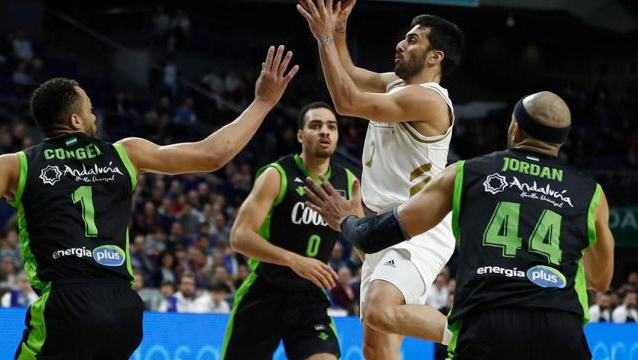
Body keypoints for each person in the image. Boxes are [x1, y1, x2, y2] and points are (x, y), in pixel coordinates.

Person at [0, 45, 299, 359]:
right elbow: (213, 155)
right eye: (89, 110)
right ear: (75, 120)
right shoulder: (126, 152)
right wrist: (263, 103)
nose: (95, 117)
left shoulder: (15, 165)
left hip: (67, 303)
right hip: (123, 309)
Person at [304, 91, 615, 359]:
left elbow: (374, 236)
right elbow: (600, 281)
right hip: (560, 328)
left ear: (515, 129)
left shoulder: (467, 172)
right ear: (561, 141)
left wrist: (346, 220)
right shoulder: (590, 194)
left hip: (488, 322)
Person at [298, 1, 465, 357]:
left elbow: (345, 100)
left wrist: (324, 38)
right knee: (376, 344)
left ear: (435, 57)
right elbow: (350, 72)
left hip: (419, 225)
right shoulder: (396, 85)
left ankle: (475, 334)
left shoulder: (429, 101)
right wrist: (339, 29)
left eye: (412, 40)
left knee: (379, 308)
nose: (400, 45)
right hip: (381, 226)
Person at [222, 102, 357, 360]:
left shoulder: (347, 182)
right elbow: (239, 237)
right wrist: (293, 260)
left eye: (332, 127)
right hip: (265, 292)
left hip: (309, 298)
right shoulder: (277, 174)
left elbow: (362, 244)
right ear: (300, 135)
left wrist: (355, 225)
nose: (325, 132)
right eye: (315, 126)